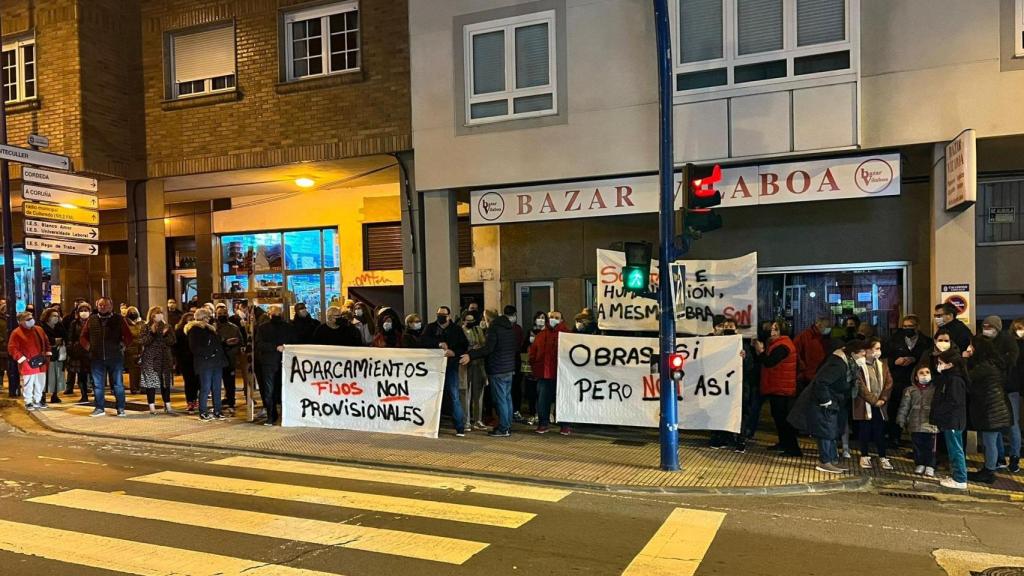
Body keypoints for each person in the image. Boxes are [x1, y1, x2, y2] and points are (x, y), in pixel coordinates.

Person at [804, 340, 868, 473]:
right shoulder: (838, 365)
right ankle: (825, 461)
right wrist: (826, 401)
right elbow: (821, 382)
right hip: (825, 404)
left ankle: (832, 460)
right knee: (826, 433)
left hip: (835, 403)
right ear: (853, 353)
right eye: (862, 353)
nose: (864, 356)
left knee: (832, 432)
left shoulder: (848, 364)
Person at [461, 305, 519, 437]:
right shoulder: (509, 327)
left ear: (487, 318)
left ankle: (503, 429)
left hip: (498, 368)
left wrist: (471, 355)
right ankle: (507, 425)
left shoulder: (494, 328)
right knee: (507, 398)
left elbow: (488, 349)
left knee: (501, 400)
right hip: (509, 368)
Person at [966, 336, 1015, 484]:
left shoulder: (985, 366)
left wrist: (964, 360)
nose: (969, 349)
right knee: (992, 440)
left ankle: (989, 471)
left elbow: (968, 378)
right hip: (996, 409)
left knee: (989, 442)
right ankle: (989, 468)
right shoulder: (994, 364)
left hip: (992, 411)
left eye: (971, 346)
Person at [754, 320, 801, 456]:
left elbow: (769, 362)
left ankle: (792, 448)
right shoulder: (777, 344)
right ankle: (784, 443)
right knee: (778, 417)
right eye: (772, 329)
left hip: (782, 389)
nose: (772, 332)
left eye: (776, 330)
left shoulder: (783, 346)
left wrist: (760, 352)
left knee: (783, 419)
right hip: (778, 386)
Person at [79, 297, 133, 417]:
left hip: (115, 357)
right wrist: (89, 347)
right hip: (97, 358)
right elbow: (83, 336)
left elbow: (128, 336)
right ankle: (99, 408)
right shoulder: (92, 319)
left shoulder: (118, 319)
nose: (102, 307)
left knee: (118, 384)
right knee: (98, 385)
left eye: (105, 305)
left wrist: (123, 346)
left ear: (111, 306)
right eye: (100, 305)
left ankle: (120, 408)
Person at [884, 314, 932, 448]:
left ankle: (916, 441)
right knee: (896, 409)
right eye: (905, 326)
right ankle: (894, 437)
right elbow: (885, 358)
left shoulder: (926, 342)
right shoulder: (894, 340)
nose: (907, 329)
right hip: (898, 379)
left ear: (918, 327)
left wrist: (914, 360)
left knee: (917, 410)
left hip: (917, 381)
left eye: (911, 326)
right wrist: (895, 361)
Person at [421, 306, 469, 436]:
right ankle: (429, 424)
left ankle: (460, 427)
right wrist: (438, 344)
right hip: (433, 367)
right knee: (431, 395)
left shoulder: (456, 329)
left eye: (443, 315)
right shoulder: (430, 328)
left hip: (451, 366)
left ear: (449, 316)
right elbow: (423, 341)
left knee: (454, 395)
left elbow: (464, 346)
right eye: (439, 314)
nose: (440, 317)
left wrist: (454, 353)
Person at [852, 337, 894, 470]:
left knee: (880, 431)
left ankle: (883, 456)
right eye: (876, 348)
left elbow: (889, 383)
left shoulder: (882, 365)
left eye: (879, 348)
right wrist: (873, 400)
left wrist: (883, 398)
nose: (878, 351)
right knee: (864, 430)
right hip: (866, 404)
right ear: (868, 350)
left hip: (880, 405)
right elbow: (860, 386)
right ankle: (864, 455)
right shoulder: (860, 366)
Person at [931, 349, 970, 490]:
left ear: (950, 364)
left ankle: (960, 479)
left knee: (955, 449)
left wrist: (939, 412)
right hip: (951, 419)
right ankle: (956, 476)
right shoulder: (950, 378)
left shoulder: (954, 380)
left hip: (953, 420)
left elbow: (953, 401)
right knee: (954, 448)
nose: (939, 365)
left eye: (941, 363)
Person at [530, 309, 570, 435]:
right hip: (544, 374)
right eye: (551, 317)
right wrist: (535, 366)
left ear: (561, 320)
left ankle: (565, 425)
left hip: (561, 375)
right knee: (543, 400)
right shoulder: (541, 335)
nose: (553, 319)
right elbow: (533, 353)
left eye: (556, 317)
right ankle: (543, 424)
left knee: (562, 400)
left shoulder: (567, 335)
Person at [255, 305, 295, 425]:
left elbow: (259, 344)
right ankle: (285, 416)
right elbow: (295, 343)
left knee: (269, 391)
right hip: (285, 362)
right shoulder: (289, 328)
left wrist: (273, 347)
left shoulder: (262, 328)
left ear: (269, 315)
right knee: (284, 389)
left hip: (268, 362)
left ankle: (271, 417)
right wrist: (282, 347)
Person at [187, 308, 229, 422]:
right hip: (205, 362)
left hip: (217, 362)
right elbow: (195, 348)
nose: (210, 319)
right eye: (208, 317)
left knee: (217, 388)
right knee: (205, 388)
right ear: (203, 317)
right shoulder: (195, 330)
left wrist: (223, 343)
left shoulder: (211, 329)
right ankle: (203, 411)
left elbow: (217, 343)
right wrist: (210, 353)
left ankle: (218, 410)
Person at [896, 365, 939, 477]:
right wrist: (901, 419)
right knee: (917, 445)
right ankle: (920, 463)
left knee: (931, 447)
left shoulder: (935, 389)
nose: (925, 375)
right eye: (921, 373)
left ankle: (930, 465)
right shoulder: (910, 390)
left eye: (927, 372)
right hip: (915, 424)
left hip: (931, 424)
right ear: (915, 377)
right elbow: (904, 406)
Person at [8, 311, 50, 411]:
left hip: (40, 361)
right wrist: (21, 359)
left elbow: (46, 341)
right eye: (27, 319)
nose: (31, 320)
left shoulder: (39, 329)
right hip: (27, 362)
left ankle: (38, 400)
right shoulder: (16, 332)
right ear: (21, 321)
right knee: (28, 383)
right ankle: (29, 401)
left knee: (40, 382)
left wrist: (48, 353)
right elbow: (12, 348)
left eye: (31, 318)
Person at [138, 306, 176, 414]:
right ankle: (151, 406)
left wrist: (164, 335)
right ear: (151, 315)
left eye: (161, 313)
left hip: (164, 357)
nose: (159, 315)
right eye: (156, 313)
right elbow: (142, 341)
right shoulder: (145, 327)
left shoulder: (167, 326)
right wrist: (152, 333)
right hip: (150, 359)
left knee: (165, 382)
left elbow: (173, 341)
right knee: (151, 383)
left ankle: (167, 404)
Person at [460, 309, 488, 431]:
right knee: (465, 393)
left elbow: (483, 344)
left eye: (472, 320)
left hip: (478, 364)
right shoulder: (460, 331)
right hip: (464, 365)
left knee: (478, 393)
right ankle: (465, 420)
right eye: (468, 320)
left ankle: (478, 419)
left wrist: (477, 348)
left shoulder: (478, 330)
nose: (470, 322)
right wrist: (471, 348)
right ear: (463, 320)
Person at [794, 316, 834, 394]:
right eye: (826, 326)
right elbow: (795, 353)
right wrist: (802, 368)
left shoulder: (824, 338)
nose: (828, 329)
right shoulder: (804, 336)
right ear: (819, 325)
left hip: (817, 375)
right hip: (806, 377)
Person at [215, 305, 243, 414]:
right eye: (219, 314)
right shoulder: (213, 327)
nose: (222, 315)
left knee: (230, 383)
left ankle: (231, 402)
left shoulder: (233, 328)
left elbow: (240, 341)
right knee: (215, 383)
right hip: (216, 359)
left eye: (224, 313)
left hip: (229, 359)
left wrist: (232, 347)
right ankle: (217, 403)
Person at [1006, 317, 1024, 473]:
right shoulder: (1010, 345)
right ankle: (1013, 457)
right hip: (1011, 389)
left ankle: (1015, 457)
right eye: (1018, 327)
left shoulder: (1009, 346)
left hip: (1013, 388)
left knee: (1013, 424)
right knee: (1013, 424)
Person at [40, 308, 67, 405]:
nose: (56, 318)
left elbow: (65, 337)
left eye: (57, 316)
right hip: (47, 355)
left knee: (57, 375)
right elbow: (44, 340)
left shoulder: (60, 327)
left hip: (58, 354)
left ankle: (55, 395)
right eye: (53, 316)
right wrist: (54, 341)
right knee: (47, 376)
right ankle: (42, 395)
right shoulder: (42, 327)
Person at [66, 302, 92, 402]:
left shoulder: (93, 322)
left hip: (90, 352)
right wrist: (72, 348)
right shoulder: (74, 323)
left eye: (86, 310)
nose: (84, 312)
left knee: (94, 374)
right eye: (81, 310)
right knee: (81, 375)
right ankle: (84, 394)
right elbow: (70, 337)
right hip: (79, 352)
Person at [174, 312, 199, 413]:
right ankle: (190, 401)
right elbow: (176, 347)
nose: (190, 322)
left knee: (197, 381)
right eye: (189, 320)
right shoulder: (180, 331)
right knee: (188, 382)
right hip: (185, 361)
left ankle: (195, 400)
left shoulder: (198, 331)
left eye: (192, 319)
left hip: (196, 360)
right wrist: (178, 361)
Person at [124, 306, 145, 394]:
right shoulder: (125, 324)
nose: (133, 313)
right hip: (131, 348)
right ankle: (134, 388)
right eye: (131, 312)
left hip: (142, 348)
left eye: (134, 312)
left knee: (141, 369)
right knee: (133, 369)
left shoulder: (142, 323)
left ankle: (141, 387)